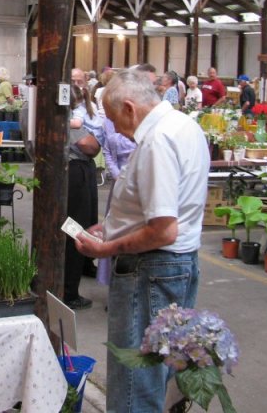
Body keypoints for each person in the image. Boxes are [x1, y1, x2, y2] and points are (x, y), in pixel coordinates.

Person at [76, 69, 208, 412]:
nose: (115, 128)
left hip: (151, 270)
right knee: (158, 369)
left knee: (136, 381)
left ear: (130, 108)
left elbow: (163, 230)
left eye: (114, 118)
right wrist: (114, 226)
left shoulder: (157, 142)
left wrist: (105, 249)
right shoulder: (184, 125)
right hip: (173, 265)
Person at [64, 84, 101, 310]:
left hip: (68, 172)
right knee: (74, 228)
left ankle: (82, 267)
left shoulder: (31, 107)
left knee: (75, 225)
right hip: (75, 172)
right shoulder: (63, 118)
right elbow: (88, 145)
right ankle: (68, 291)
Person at [101, 116, 136, 181]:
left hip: (136, 173)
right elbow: (107, 151)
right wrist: (116, 173)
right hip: (118, 174)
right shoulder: (108, 121)